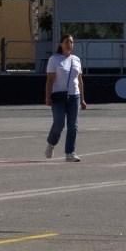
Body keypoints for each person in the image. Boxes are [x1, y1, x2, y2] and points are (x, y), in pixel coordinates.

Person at [43, 32, 84, 162]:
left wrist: (82, 99)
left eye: (71, 42)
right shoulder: (54, 59)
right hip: (58, 96)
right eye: (66, 42)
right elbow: (50, 79)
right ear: (61, 44)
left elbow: (80, 80)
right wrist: (48, 97)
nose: (69, 44)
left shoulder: (76, 60)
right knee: (59, 124)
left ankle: (69, 153)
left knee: (73, 125)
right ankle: (51, 143)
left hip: (74, 96)